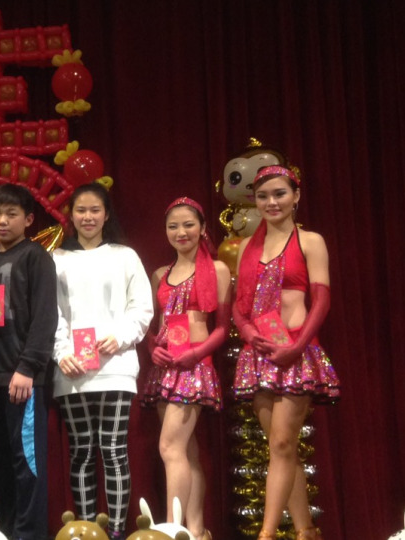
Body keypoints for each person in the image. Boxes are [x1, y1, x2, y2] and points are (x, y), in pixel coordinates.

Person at [232, 165, 339, 540]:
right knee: (282, 447)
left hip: (297, 347)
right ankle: (306, 530)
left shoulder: (310, 241)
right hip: (259, 352)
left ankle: (266, 533)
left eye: (279, 194)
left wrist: (297, 346)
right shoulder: (247, 248)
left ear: (296, 196)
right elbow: (239, 307)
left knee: (280, 442)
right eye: (263, 196)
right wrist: (248, 333)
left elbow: (321, 300)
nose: (271, 202)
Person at [52, 183, 153, 540]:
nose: (88, 217)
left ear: (106, 214)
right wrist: (61, 353)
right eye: (81, 210)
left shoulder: (125, 256)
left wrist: (120, 337)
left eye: (95, 210)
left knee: (113, 450)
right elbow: (51, 313)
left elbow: (141, 308)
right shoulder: (57, 259)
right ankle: (85, 531)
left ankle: (117, 532)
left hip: (116, 368)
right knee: (81, 450)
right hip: (72, 370)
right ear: (71, 215)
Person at [141, 197, 231, 540]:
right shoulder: (159, 275)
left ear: (203, 228)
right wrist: (153, 348)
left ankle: (170, 529)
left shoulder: (217, 270)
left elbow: (222, 327)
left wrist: (197, 353)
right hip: (165, 369)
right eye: (173, 226)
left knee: (170, 448)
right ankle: (196, 530)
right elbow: (152, 327)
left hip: (195, 366)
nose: (181, 232)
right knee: (186, 452)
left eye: (188, 224)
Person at [0, 184, 56, 540]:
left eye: (11, 214)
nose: (2, 221)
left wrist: (27, 368)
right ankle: (5, 531)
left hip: (23, 378)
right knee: (1, 463)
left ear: (29, 219)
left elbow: (45, 317)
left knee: (27, 462)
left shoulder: (36, 257)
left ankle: (30, 533)